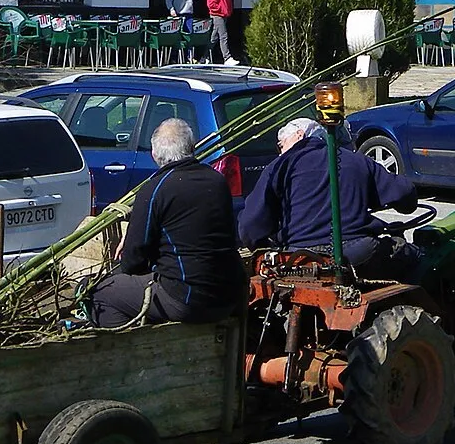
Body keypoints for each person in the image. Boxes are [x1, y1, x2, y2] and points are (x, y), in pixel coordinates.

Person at [90, 118, 246, 326]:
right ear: (192, 147)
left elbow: (133, 260)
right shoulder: (216, 180)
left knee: (100, 293)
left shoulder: (155, 189)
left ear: (155, 155)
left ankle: (130, 352)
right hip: (229, 294)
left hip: (188, 299)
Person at [238, 117, 421, 280]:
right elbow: (405, 194)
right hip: (357, 253)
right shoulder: (355, 160)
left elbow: (249, 227)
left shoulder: (277, 168)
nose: (280, 151)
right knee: (415, 256)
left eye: (281, 144)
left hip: (299, 259)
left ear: (300, 135)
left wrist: (267, 250)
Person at [205, 0, 237, 64]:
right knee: (223, 36)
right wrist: (221, 9)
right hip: (217, 15)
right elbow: (210, 4)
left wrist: (228, 11)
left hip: (223, 15)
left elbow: (228, 2)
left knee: (214, 38)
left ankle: (205, 57)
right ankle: (227, 57)